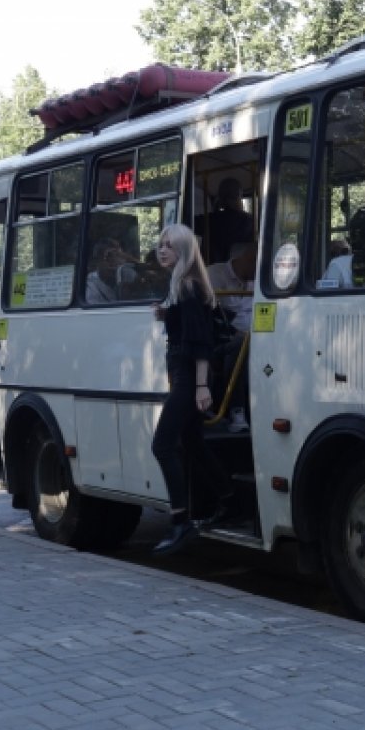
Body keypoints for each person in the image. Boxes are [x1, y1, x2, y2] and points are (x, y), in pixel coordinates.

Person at [150, 224, 232, 555]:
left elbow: (201, 343)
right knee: (193, 443)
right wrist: (165, 314)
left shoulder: (187, 286)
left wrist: (201, 387)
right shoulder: (182, 286)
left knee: (163, 446)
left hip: (189, 377)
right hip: (185, 374)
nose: (162, 250)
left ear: (184, 251)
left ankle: (180, 522)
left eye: (169, 245)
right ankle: (228, 498)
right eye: (160, 245)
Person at [206, 243, 256, 431]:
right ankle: (237, 411)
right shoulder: (213, 275)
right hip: (220, 338)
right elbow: (211, 317)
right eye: (256, 265)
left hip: (255, 335)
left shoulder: (257, 279)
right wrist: (236, 332)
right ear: (247, 260)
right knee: (240, 344)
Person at [205, 177, 255, 264]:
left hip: (212, 268)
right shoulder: (249, 220)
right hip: (240, 270)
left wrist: (217, 207)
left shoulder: (210, 220)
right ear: (238, 196)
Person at [85, 238, 138, 303]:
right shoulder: (90, 285)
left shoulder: (126, 274)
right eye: (109, 257)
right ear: (97, 261)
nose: (114, 261)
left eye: (117, 256)